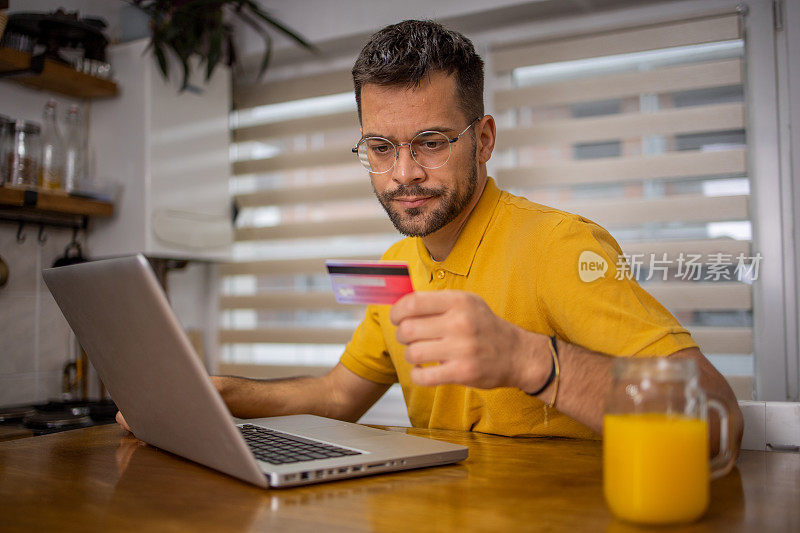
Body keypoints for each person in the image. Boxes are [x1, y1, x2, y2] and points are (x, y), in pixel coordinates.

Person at [118, 20, 742, 464]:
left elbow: (718, 422)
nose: (403, 173)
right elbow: (339, 394)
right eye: (381, 148)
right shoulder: (394, 265)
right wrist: (225, 394)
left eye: (432, 141)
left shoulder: (560, 247)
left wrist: (532, 362)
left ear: (485, 139)